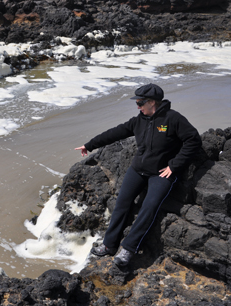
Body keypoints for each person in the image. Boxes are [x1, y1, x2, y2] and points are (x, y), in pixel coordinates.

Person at [75, 83, 202, 266]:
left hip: (161, 174)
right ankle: (109, 246)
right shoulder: (139, 120)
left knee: (148, 208)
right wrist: (90, 145)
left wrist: (174, 166)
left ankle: (128, 249)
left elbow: (193, 140)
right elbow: (116, 132)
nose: (138, 106)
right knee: (121, 203)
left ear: (152, 102)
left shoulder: (173, 119)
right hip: (137, 170)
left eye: (140, 102)